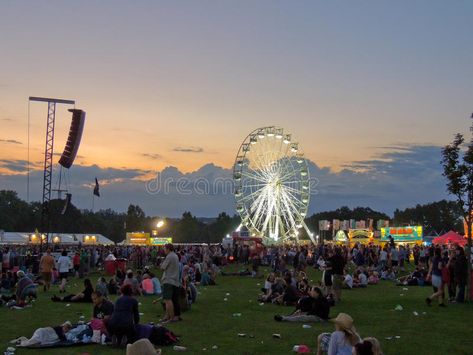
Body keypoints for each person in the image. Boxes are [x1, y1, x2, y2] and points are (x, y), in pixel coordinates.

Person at [160, 243, 181, 323]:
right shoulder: (175, 256)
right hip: (175, 280)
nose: (164, 250)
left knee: (168, 300)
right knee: (171, 300)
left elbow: (162, 268)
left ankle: (171, 318)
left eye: (164, 248)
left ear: (168, 249)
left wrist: (161, 263)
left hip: (168, 280)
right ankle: (168, 316)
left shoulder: (169, 256)